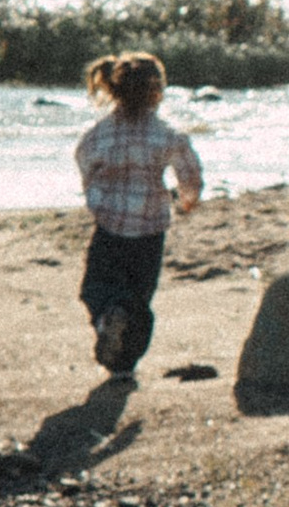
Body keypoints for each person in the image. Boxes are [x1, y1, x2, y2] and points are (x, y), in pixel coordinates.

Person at [73, 49, 203, 380]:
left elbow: (84, 161)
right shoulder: (167, 134)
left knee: (96, 288)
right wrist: (187, 200)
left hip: (109, 227)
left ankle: (107, 321)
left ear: (113, 89)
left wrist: (96, 193)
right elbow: (190, 174)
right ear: (157, 93)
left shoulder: (100, 133)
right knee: (138, 297)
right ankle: (124, 365)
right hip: (150, 229)